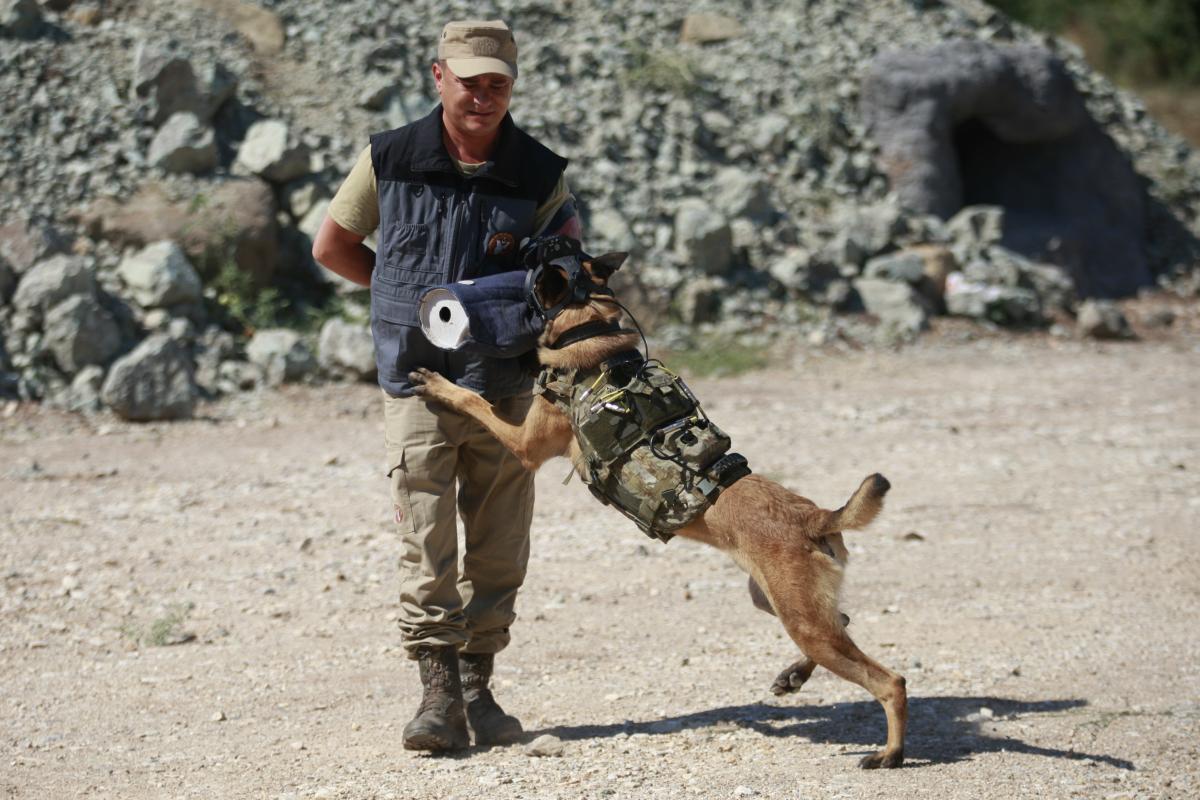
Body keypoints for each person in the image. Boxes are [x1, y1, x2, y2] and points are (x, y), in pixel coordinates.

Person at [311, 19, 581, 751]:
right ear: (438, 78)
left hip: (504, 386)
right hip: (418, 380)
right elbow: (332, 246)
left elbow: (569, 274)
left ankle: (477, 690)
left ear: (511, 87)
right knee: (425, 537)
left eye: (496, 83)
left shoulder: (538, 172)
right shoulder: (390, 157)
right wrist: (407, 302)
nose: (482, 97)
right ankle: (436, 697)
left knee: (498, 542)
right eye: (469, 82)